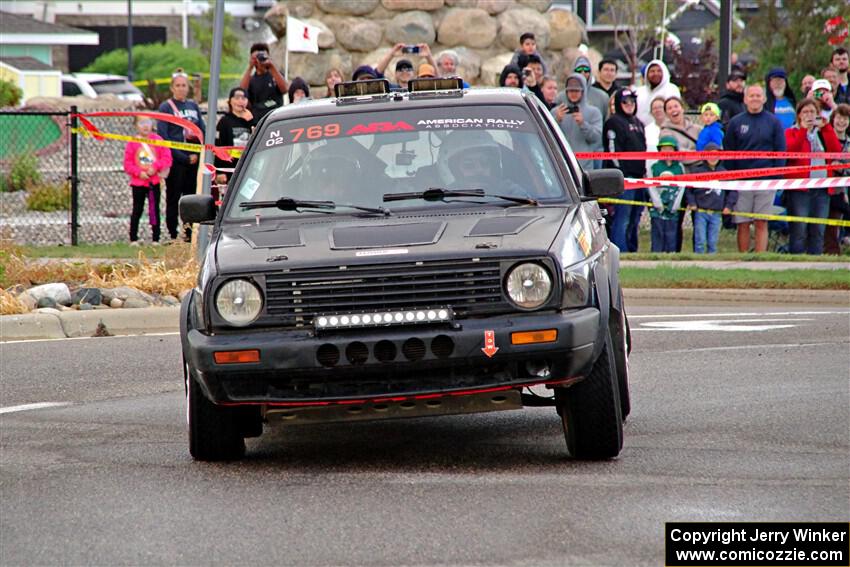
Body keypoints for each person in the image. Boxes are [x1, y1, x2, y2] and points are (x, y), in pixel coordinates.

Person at [724, 84, 786, 253]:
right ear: (745, 99)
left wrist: (776, 179)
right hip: (742, 182)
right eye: (751, 96)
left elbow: (780, 152)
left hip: (765, 182)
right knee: (742, 223)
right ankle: (743, 259)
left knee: (761, 222)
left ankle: (761, 259)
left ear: (764, 99)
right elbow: (729, 152)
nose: (755, 99)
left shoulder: (774, 122)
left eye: (758, 95)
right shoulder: (735, 122)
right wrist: (733, 179)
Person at [783, 99, 842, 255]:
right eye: (805, 112)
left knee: (818, 229)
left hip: (822, 189)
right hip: (800, 189)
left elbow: (836, 151)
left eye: (812, 112)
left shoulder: (823, 132)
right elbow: (791, 152)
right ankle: (796, 260)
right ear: (799, 115)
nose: (809, 116)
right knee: (799, 229)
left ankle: (815, 260)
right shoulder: (791, 132)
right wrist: (803, 130)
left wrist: (827, 128)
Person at [157, 69, 205, 242]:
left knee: (191, 197)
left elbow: (202, 130)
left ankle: (189, 233)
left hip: (194, 159)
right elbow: (165, 137)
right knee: (173, 197)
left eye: (184, 85)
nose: (181, 88)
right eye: (178, 85)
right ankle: (172, 233)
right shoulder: (166, 107)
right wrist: (183, 157)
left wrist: (199, 153)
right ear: (172, 88)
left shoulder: (193, 106)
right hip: (177, 161)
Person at [603, 87, 647, 253]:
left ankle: (632, 250)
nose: (629, 105)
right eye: (625, 102)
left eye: (632, 102)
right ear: (618, 103)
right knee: (622, 218)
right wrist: (620, 177)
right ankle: (620, 251)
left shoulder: (638, 123)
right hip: (624, 179)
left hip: (640, 178)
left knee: (635, 217)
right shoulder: (613, 122)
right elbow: (613, 152)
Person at [660, 96, 701, 251]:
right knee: (677, 219)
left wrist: (691, 154)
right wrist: (696, 155)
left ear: (682, 107)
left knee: (699, 218)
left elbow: (708, 150)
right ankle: (674, 251)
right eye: (669, 108)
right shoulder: (665, 132)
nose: (673, 110)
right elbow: (675, 154)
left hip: (698, 179)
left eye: (676, 106)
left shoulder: (697, 129)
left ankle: (699, 252)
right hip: (678, 180)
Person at [123, 116, 171, 245]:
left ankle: (156, 238)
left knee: (154, 210)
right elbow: (127, 164)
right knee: (137, 209)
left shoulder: (158, 140)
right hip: (138, 183)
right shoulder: (132, 143)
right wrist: (139, 173)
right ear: (136, 125)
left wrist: (155, 168)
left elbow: (167, 158)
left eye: (148, 122)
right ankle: (133, 238)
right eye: (142, 122)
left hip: (153, 182)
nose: (145, 126)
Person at [686, 142, 737, 254]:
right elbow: (689, 190)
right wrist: (692, 203)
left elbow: (733, 191)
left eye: (716, 155)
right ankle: (698, 262)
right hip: (701, 211)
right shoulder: (697, 171)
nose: (713, 158)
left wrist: (729, 206)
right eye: (710, 155)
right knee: (700, 240)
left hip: (716, 213)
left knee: (712, 242)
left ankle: (712, 263)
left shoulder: (724, 173)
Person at [552, 73, 602, 171]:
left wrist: (583, 124)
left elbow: (596, 138)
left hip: (584, 167)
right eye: (570, 90)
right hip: (560, 166)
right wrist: (556, 121)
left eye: (576, 91)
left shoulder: (594, 112)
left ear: (583, 91)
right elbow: (546, 137)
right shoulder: (556, 111)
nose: (573, 94)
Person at [214, 87, 254, 198]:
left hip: (248, 168)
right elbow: (218, 146)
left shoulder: (251, 119)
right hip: (229, 169)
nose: (240, 101)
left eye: (243, 98)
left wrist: (251, 121)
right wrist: (220, 171)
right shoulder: (224, 121)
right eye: (237, 98)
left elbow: (257, 137)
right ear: (230, 101)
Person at [648, 136, 685, 253]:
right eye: (664, 148)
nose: (667, 152)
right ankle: (656, 255)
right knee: (658, 232)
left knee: (671, 233)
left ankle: (671, 256)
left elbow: (681, 188)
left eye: (670, 148)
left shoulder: (679, 168)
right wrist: (657, 204)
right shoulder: (654, 167)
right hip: (657, 208)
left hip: (673, 207)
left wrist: (675, 205)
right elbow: (651, 186)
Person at [239, 42, 288, 122]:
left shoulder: (275, 75)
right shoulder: (250, 79)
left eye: (262, 56)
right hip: (258, 119)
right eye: (256, 57)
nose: (259, 59)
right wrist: (250, 67)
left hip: (276, 117)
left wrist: (271, 66)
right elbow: (241, 92)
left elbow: (285, 89)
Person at [825, 104, 850, 254]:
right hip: (822, 188)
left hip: (841, 190)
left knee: (834, 225)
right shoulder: (825, 138)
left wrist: (843, 169)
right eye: (839, 118)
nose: (841, 122)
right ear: (833, 119)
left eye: (845, 118)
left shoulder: (848, 143)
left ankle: (833, 253)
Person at [635, 59, 681, 127]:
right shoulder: (639, 92)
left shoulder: (671, 89)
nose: (655, 74)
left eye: (659, 71)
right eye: (652, 71)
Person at [569, 56, 610, 121]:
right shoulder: (562, 97)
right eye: (579, 70)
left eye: (586, 70)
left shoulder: (602, 97)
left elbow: (606, 122)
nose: (582, 73)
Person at [644, 96, 667, 174]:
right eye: (655, 108)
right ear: (651, 112)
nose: (658, 110)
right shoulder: (646, 130)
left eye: (660, 107)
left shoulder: (673, 128)